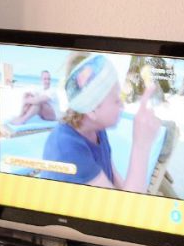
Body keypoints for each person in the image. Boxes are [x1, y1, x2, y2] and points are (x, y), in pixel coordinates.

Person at [40, 53, 160, 191]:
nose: (122, 106)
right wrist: (141, 145)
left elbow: (112, 175)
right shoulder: (67, 150)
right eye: (116, 100)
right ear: (92, 109)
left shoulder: (96, 128)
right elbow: (127, 205)